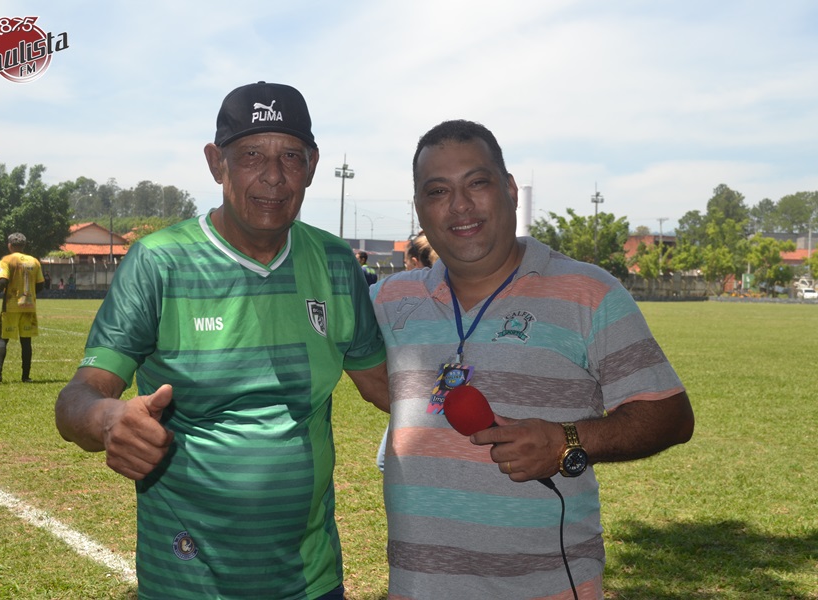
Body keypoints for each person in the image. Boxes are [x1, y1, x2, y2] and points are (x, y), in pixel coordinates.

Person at [55, 82, 389, 600]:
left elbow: (385, 385)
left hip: (310, 579)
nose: (273, 175)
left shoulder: (335, 263)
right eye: (251, 154)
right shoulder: (159, 261)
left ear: (313, 166)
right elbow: (79, 396)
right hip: (185, 580)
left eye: (291, 156)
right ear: (217, 163)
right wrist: (105, 419)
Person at [370, 120, 694, 599]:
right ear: (420, 208)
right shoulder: (389, 301)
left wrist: (567, 440)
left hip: (548, 587)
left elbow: (671, 416)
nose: (459, 205)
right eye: (438, 191)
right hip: (418, 588)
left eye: (477, 183)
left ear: (509, 190)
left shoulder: (589, 292)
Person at [375, 230, 439, 472]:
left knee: (387, 459)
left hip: (418, 395)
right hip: (441, 390)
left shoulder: (404, 294)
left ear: (413, 262)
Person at [0, 232, 45, 384]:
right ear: (24, 245)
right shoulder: (34, 261)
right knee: (26, 342)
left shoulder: (7, 260)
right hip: (29, 307)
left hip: (11, 305)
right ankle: (26, 376)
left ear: (10, 245)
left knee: (3, 339)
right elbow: (41, 285)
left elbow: (3, 282)